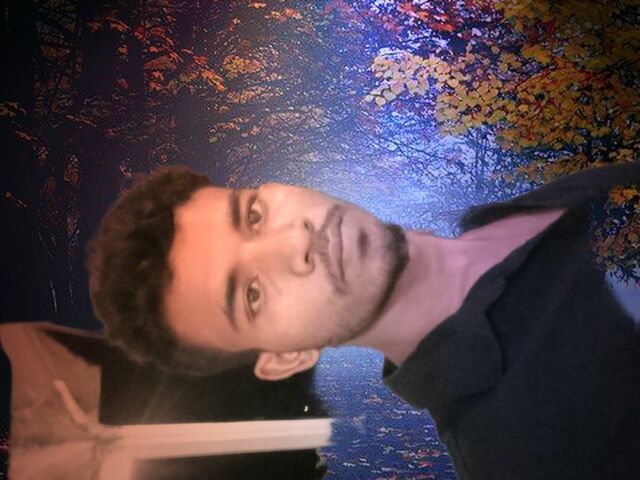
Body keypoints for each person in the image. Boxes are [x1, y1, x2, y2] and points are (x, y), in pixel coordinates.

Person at [88, 161, 640, 479]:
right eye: (252, 294)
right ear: (286, 358)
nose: (294, 243)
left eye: (254, 214)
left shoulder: (519, 209)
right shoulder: (530, 453)